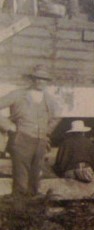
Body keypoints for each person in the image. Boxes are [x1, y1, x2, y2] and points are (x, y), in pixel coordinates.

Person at [0, 65, 60, 196]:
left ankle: (32, 208)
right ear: (32, 80)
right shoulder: (18, 94)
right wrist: (8, 126)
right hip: (22, 138)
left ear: (47, 82)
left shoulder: (49, 99)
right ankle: (20, 207)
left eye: (43, 79)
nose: (40, 82)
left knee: (35, 175)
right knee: (21, 176)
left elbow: (57, 116)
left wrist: (47, 131)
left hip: (40, 141)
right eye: (37, 78)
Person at [53, 120, 94, 189]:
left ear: (72, 132)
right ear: (83, 132)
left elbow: (59, 164)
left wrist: (59, 173)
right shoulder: (89, 143)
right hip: (86, 172)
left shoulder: (65, 143)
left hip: (71, 172)